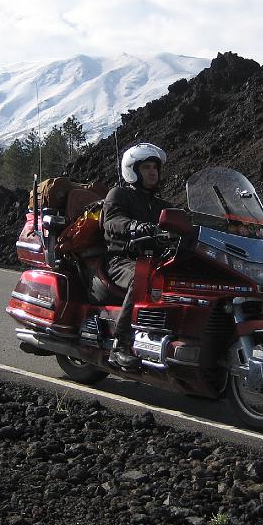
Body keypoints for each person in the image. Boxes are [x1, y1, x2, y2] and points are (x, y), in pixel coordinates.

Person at [102, 142, 172, 368]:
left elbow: (185, 222)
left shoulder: (161, 205)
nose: (152, 172)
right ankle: (120, 345)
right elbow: (112, 220)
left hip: (156, 260)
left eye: (155, 167)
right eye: (146, 168)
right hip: (121, 260)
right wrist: (133, 226)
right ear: (132, 171)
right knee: (142, 278)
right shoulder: (119, 194)